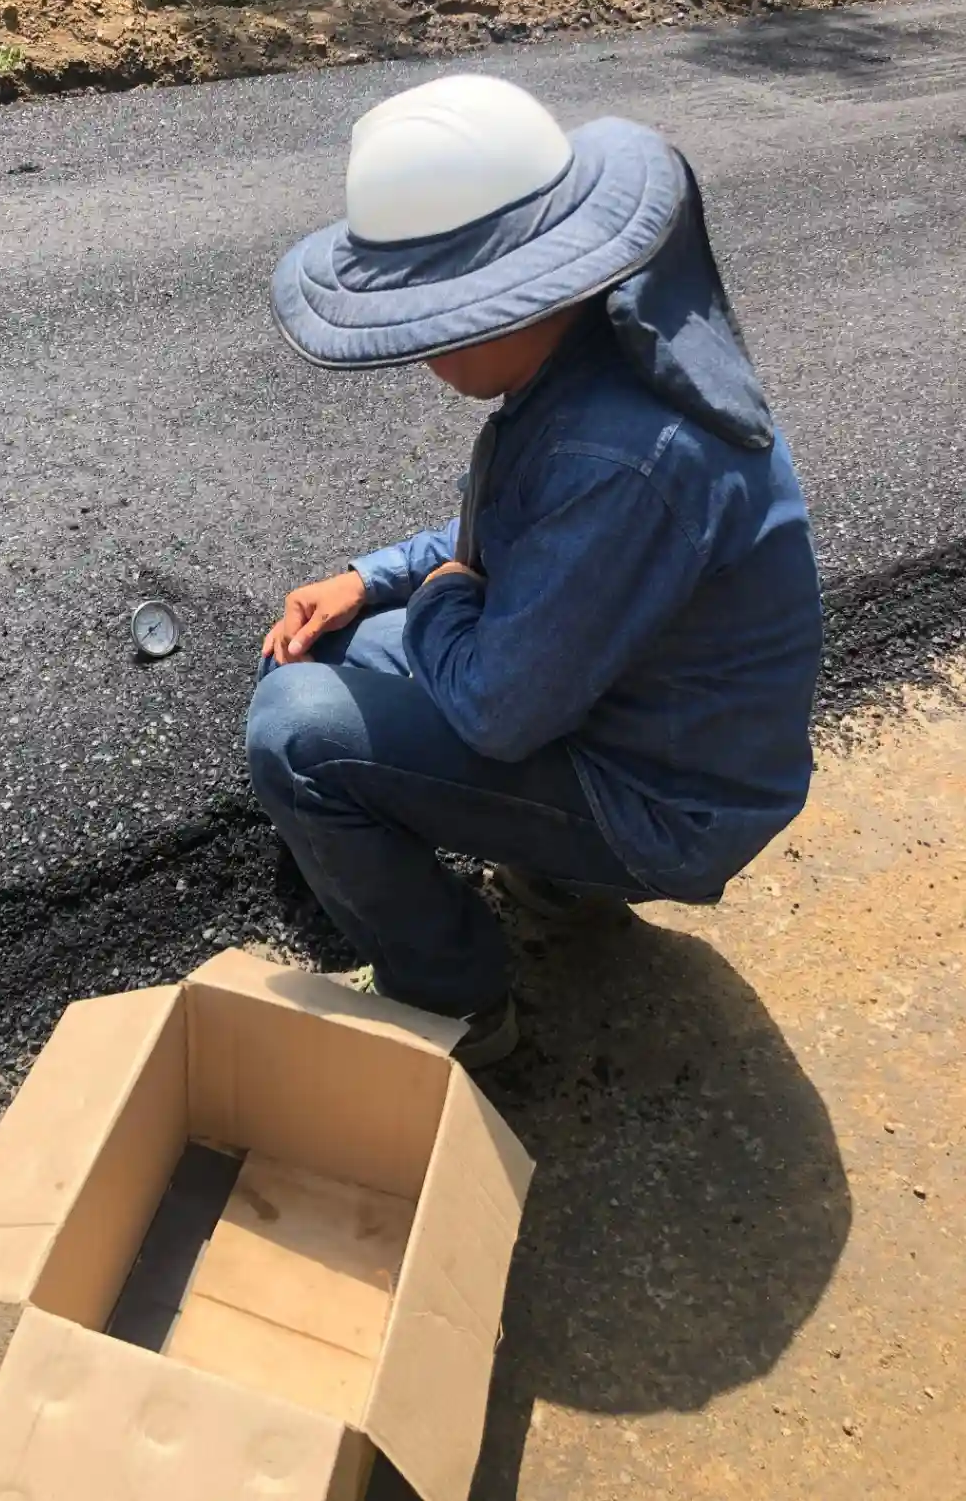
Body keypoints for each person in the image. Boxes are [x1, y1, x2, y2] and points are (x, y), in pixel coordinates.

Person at [246, 74, 822, 1072]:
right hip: (634, 713)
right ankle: (542, 871)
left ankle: (456, 1003)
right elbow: (530, 539)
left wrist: (435, 596)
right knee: (335, 637)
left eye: (428, 321)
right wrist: (371, 576)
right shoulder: (602, 347)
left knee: (294, 732)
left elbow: (498, 707)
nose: (420, 354)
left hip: (661, 801)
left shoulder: (620, 456)